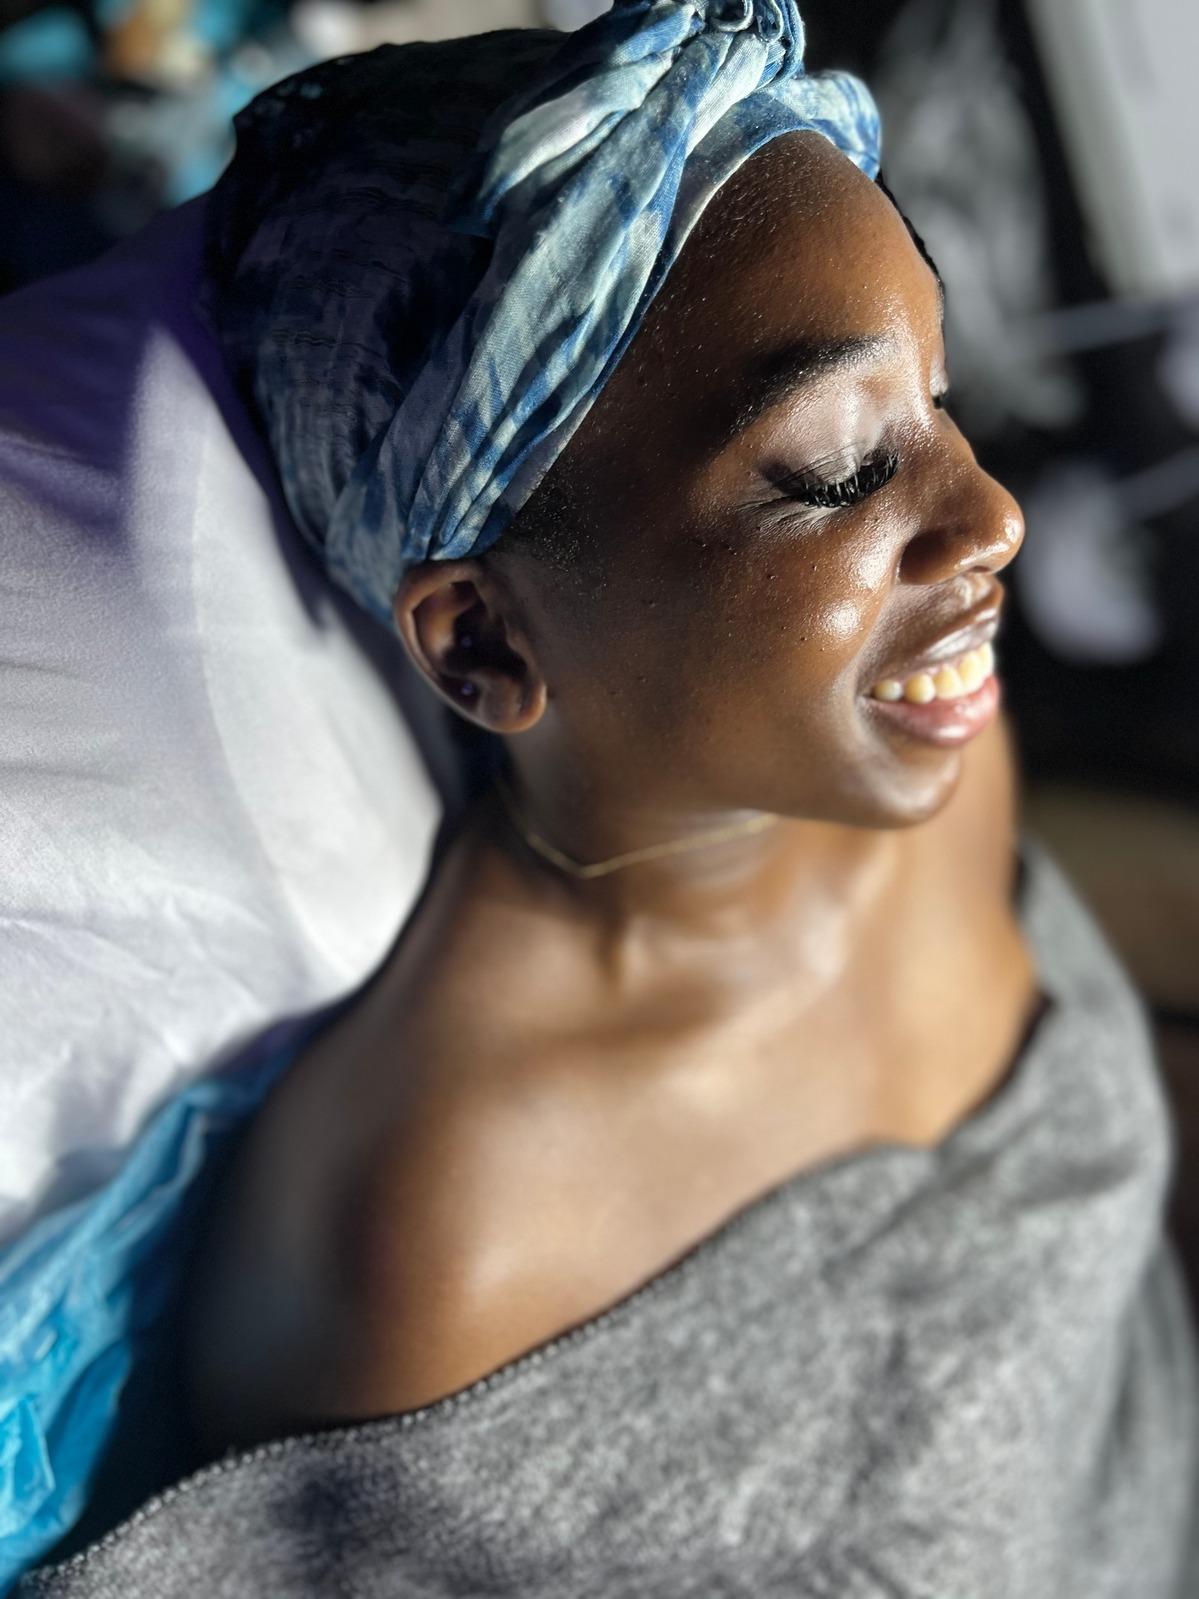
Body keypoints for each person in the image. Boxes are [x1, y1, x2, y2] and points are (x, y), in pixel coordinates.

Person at [15, 4, 1199, 1595]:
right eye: (837, 471)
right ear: (487, 642)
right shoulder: (436, 1248)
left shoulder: (939, 762)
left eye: (937, 399)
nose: (989, 515)